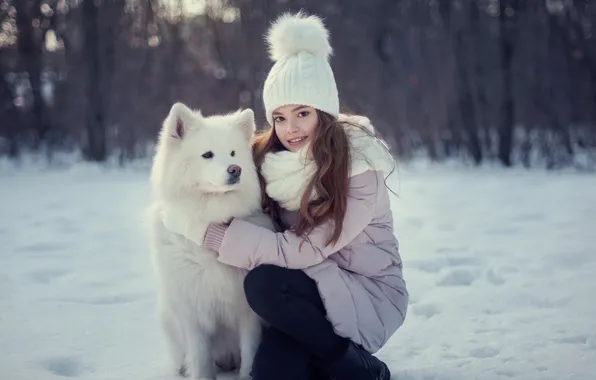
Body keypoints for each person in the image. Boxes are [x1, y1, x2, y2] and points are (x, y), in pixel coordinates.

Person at [172, 11, 408, 380]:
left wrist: (209, 233)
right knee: (271, 374)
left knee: (263, 282)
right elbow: (214, 162)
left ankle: (354, 363)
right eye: (280, 117)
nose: (291, 128)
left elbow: (304, 250)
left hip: (364, 294)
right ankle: (320, 357)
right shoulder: (268, 160)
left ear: (325, 113)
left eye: (302, 113)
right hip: (305, 294)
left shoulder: (360, 166)